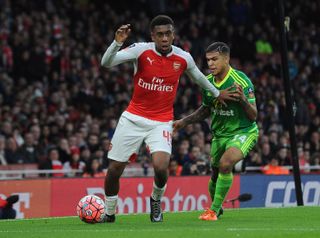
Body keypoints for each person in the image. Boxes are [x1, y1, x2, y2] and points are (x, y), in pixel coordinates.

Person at [100, 15, 234, 223]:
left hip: (161, 121)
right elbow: (106, 63)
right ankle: (109, 213)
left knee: (161, 167)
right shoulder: (141, 50)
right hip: (133, 118)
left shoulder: (183, 58)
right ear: (153, 36)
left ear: (173, 35)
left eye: (168, 34)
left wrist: (217, 94)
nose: (164, 38)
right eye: (160, 34)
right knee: (114, 170)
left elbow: (199, 77)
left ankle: (155, 201)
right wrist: (117, 42)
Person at [173, 42, 258, 221]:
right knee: (215, 172)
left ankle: (213, 210)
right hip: (219, 135)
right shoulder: (207, 82)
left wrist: (242, 99)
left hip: (243, 131)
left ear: (226, 59)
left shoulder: (241, 81)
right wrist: (183, 122)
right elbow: (205, 109)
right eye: (208, 60)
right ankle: (216, 208)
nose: (210, 64)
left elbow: (253, 115)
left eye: (214, 59)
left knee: (226, 164)